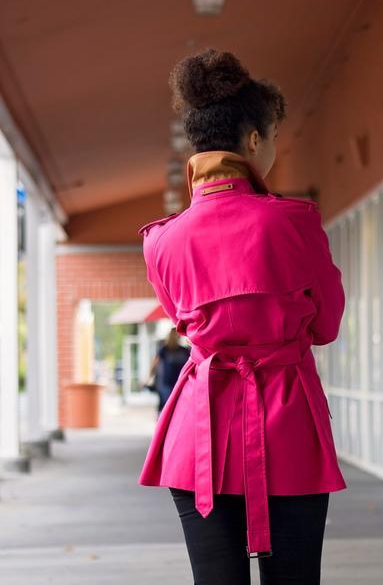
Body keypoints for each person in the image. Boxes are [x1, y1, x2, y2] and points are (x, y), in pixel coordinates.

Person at [137, 48, 347, 585]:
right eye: (274, 137)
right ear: (254, 141)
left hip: (198, 432)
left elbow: (185, 322)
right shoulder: (294, 224)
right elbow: (325, 326)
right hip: (288, 427)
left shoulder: (161, 241)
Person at [143, 328, 190, 414]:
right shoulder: (164, 350)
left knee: (177, 409)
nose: (178, 336)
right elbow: (154, 364)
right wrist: (148, 378)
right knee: (168, 408)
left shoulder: (184, 351)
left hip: (181, 383)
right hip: (167, 384)